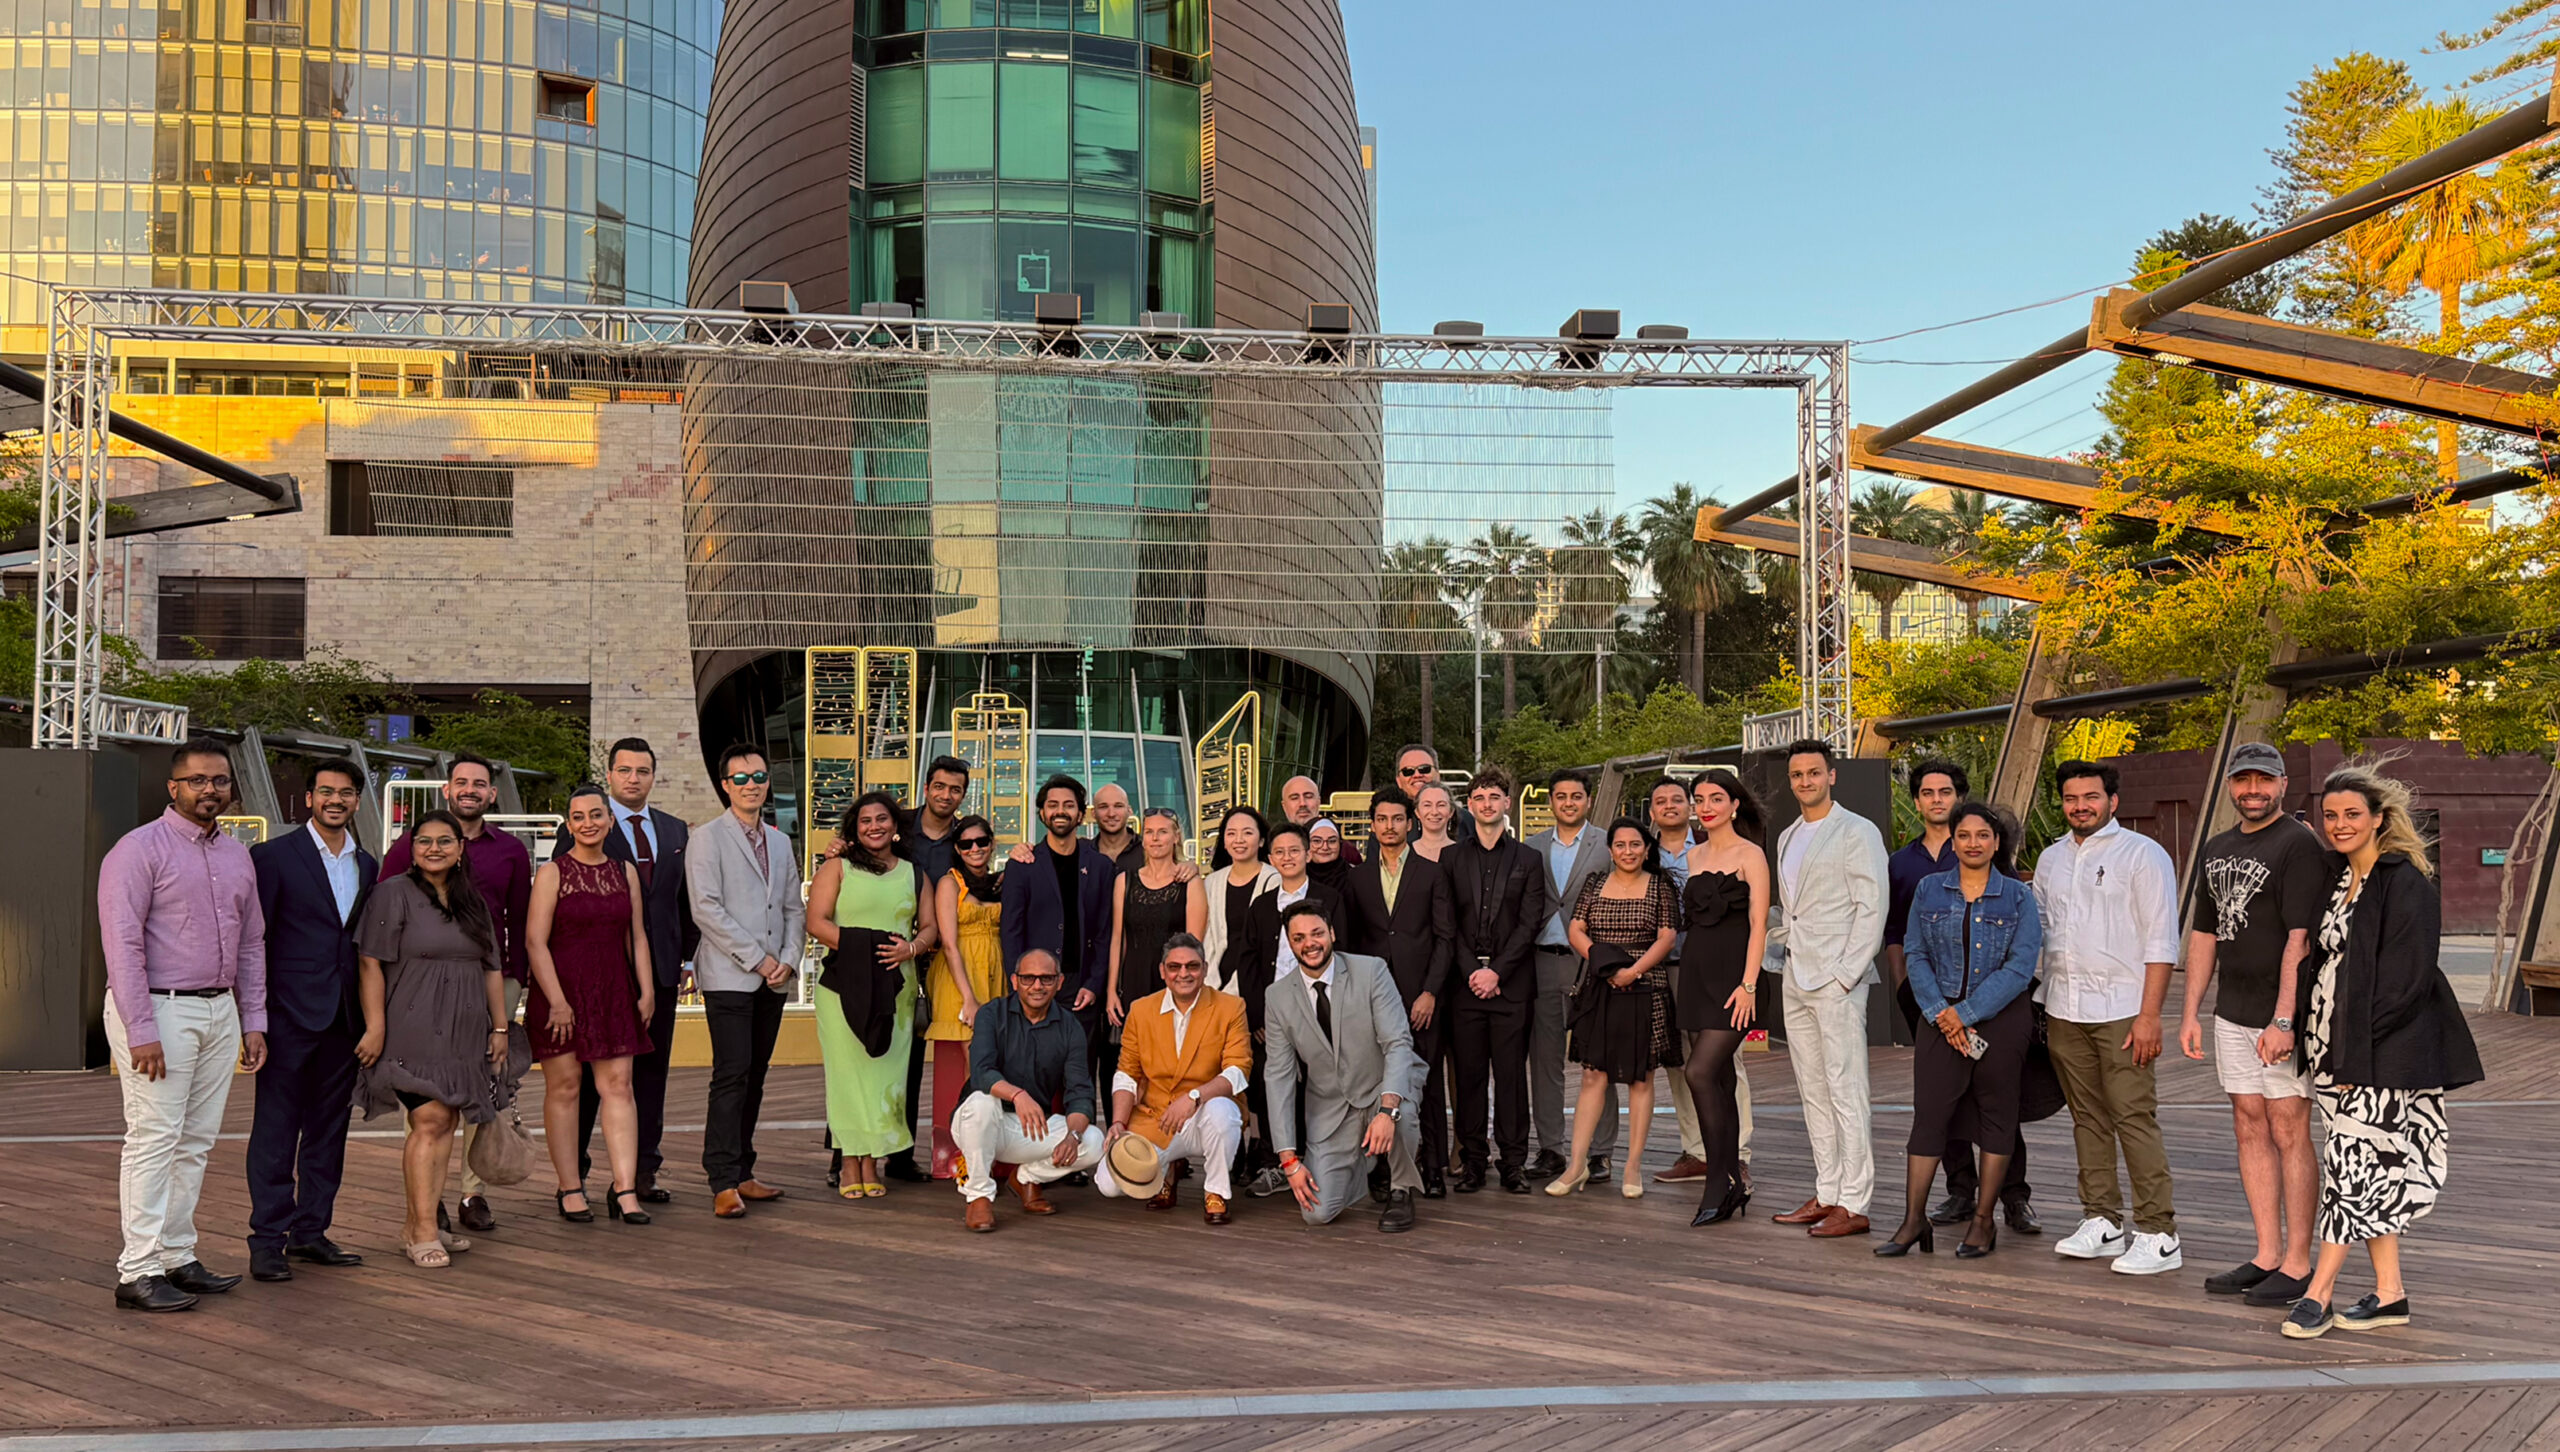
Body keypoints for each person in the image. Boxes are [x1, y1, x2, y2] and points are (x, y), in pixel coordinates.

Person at [2279, 764, 2484, 1340]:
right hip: (2328, 1053)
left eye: (2352, 815)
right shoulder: (2336, 880)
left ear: (2378, 819)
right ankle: (2390, 1294)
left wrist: (2354, 1059)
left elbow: (2406, 982)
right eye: (2331, 816)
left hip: (2377, 1060)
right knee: (2368, 1173)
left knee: (2347, 1172)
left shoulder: (2405, 882)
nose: (2340, 825)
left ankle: (2317, 1294)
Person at [100, 739, 270, 1312]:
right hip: (158, 1009)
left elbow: (251, 943)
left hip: (220, 1010)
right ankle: (138, 1269)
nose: (209, 790)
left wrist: (253, 1019)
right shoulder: (136, 850)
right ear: (174, 788)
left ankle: (177, 1254)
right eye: (197, 781)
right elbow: (122, 945)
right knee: (153, 1138)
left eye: (219, 780)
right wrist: (140, 1029)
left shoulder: (236, 855)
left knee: (195, 1142)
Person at [2182, 743, 2328, 1307]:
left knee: (2289, 1126)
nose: (2252, 789)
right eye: (2242, 780)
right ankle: (2267, 1254)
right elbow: (2203, 935)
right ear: (2230, 787)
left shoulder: (2298, 845)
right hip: (2230, 1011)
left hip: (2279, 1014)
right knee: (2248, 1123)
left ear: (2283, 784)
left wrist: (2285, 1018)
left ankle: (2297, 1262)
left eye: (2263, 780)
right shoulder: (2217, 848)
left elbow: (2300, 937)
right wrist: (2191, 1011)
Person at [354, 809, 526, 1269]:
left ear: (460, 847)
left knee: (447, 1122)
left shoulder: (472, 901)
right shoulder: (393, 894)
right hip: (411, 1025)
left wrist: (499, 1027)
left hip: (465, 1028)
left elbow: (492, 967)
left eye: (444, 841)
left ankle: (419, 1223)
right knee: (429, 1119)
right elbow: (370, 962)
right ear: (412, 849)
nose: (434, 849)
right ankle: (425, 1231)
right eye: (424, 841)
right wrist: (375, 1026)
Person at [2037, 759, 2184, 1276]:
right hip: (2063, 1007)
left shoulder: (2142, 855)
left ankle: (2159, 1232)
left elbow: (2162, 938)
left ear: (2112, 801)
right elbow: (2043, 932)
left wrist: (2150, 1015)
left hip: (2123, 1009)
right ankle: (2102, 1219)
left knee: (2132, 1118)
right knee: (2087, 1118)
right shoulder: (2051, 859)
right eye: (2072, 798)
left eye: (2091, 797)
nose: (2081, 806)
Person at [1877, 803, 2042, 1261]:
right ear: (1952, 842)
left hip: (2002, 1018)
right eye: (1964, 835)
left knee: (1996, 1116)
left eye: (1982, 835)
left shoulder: (2018, 897)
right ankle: (1914, 1220)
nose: (1973, 843)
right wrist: (1939, 1011)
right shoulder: (1930, 890)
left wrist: (1965, 1013)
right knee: (1930, 1116)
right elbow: (1915, 952)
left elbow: (2020, 966)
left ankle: (1984, 1221)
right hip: (1938, 1016)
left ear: (1996, 842)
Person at [379, 752, 531, 1236]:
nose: (470, 790)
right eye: (461, 782)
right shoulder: (412, 846)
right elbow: (384, 919)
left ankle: (472, 1192)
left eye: (479, 784)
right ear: (448, 789)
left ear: (491, 793)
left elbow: (520, 921)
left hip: (491, 982)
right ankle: (429, 1204)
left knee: (484, 1084)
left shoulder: (510, 851)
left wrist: (515, 983)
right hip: (422, 989)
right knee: (426, 1091)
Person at [243, 756, 374, 1284]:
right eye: (326, 792)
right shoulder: (272, 857)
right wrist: (255, 1014)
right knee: (276, 1131)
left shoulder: (370, 864)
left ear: (357, 801)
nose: (335, 801)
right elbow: (255, 940)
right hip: (287, 1016)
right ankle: (267, 1241)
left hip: (346, 1019)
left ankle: (311, 1233)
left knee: (328, 1132)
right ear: (309, 798)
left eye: (345, 793)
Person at [562, 739, 697, 1209]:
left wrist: (685, 960)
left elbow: (681, 903)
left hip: (658, 974)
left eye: (642, 770)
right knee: (590, 1080)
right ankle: (574, 1174)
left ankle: (641, 1173)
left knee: (651, 1077)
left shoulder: (675, 829)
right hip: (596, 976)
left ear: (653, 776)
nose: (633, 778)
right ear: (611, 774)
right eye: (624, 770)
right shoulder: (588, 823)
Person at [1769, 739, 1889, 1239]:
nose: (1804, 781)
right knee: (1813, 1089)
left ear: (1831, 776)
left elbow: (1873, 906)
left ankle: (1855, 1202)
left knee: (1846, 1089)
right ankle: (1828, 1190)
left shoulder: (1857, 831)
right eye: (1797, 774)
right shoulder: (1787, 835)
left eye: (1813, 773)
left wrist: (1846, 972)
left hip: (1838, 979)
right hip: (1795, 974)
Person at [525, 785, 656, 1227]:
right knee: (564, 1089)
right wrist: (558, 1001)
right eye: (578, 816)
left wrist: (646, 990)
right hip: (560, 993)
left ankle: (624, 1189)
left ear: (610, 820)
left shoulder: (626, 873)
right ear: (568, 823)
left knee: (619, 1087)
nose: (588, 823)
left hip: (614, 989)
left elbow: (637, 935)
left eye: (596, 814)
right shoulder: (551, 873)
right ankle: (570, 1186)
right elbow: (534, 942)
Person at [687, 744, 802, 1219]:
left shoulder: (779, 841)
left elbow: (794, 906)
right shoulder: (707, 838)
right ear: (725, 785)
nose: (751, 784)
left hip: (774, 979)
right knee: (731, 1075)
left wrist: (789, 961)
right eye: (741, 778)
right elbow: (706, 909)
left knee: (755, 1077)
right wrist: (758, 960)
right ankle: (721, 1178)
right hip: (731, 976)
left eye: (758, 776)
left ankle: (744, 1171)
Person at [808, 791, 937, 1198]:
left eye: (882, 819)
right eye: (865, 821)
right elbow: (816, 921)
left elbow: (930, 927)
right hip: (844, 985)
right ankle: (849, 1162)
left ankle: (873, 1160)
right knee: (847, 1076)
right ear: (854, 828)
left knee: (885, 1076)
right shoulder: (838, 868)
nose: (874, 826)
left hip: (897, 989)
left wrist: (910, 949)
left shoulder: (915, 874)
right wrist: (861, 950)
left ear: (896, 827)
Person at [1267, 906, 1425, 1232]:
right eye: (1299, 938)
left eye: (1317, 934)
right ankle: (1366, 1167)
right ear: (1289, 943)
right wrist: (1289, 1161)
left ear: (1332, 934)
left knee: (1403, 1115)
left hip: (1381, 1085)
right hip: (1330, 1105)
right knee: (1317, 1213)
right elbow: (1279, 1077)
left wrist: (1387, 1110)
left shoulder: (1371, 971)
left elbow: (1397, 1043)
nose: (1310, 944)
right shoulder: (1277, 997)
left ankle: (1400, 1188)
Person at [1546, 819, 1679, 1200]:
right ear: (1610, 849)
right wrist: (1603, 963)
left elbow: (1667, 936)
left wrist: (1633, 970)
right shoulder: (1593, 883)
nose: (1627, 851)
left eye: (1635, 844)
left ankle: (1632, 1166)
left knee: (1641, 1079)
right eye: (1619, 845)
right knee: (1593, 1077)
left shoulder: (1660, 886)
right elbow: (1575, 929)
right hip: (1600, 987)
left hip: (1646, 988)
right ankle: (1576, 1166)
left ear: (1646, 849)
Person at [1342, 786, 1457, 1198]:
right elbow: (1352, 942)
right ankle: (1381, 1170)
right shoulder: (1355, 878)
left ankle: (1434, 1167)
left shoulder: (1432, 872)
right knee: (1377, 1081)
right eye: (1382, 820)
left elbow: (1445, 938)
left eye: (1397, 819)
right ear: (1372, 826)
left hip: (1419, 996)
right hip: (1372, 998)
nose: (1389, 827)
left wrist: (1430, 992)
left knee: (1425, 1082)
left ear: (1410, 823)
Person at [1099, 934, 1252, 1224]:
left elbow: (1238, 1071)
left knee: (1224, 1113)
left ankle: (1216, 1191)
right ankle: (1167, 1171)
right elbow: (1126, 1073)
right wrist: (1118, 1122)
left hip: (1203, 1113)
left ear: (1205, 969)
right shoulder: (1141, 1009)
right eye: (1175, 967)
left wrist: (1194, 1098)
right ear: (1162, 971)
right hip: (1155, 1117)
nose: (1184, 974)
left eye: (1192, 966)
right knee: (1109, 1184)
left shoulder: (1231, 1007)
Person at [949, 949, 1105, 1231]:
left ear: (1059, 982)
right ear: (1014, 981)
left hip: (1027, 1128)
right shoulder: (991, 1014)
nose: (1037, 986)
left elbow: (1080, 1093)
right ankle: (979, 1196)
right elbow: (982, 1071)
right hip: (977, 1124)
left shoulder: (1070, 1027)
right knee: (983, 1102)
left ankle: (1025, 1178)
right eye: (1029, 978)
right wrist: (1018, 1095)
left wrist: (1073, 1135)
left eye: (1046, 979)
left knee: (1093, 1141)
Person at [1443, 768, 1542, 1195]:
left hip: (1511, 984)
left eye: (1494, 796)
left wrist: (1497, 971)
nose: (1486, 803)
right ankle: (1472, 1162)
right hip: (1465, 986)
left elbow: (1529, 922)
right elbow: (1447, 926)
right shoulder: (1450, 858)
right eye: (1479, 796)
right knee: (1468, 1079)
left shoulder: (1528, 859)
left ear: (1506, 802)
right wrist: (1473, 973)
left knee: (1511, 1079)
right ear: (1470, 804)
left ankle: (1513, 1162)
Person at [1679, 772, 1770, 1225]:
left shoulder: (1751, 854)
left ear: (1735, 805)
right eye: (1700, 799)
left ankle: (1720, 1182)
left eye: (1717, 798)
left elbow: (1759, 925)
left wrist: (1749, 984)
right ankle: (1733, 1181)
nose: (1707, 806)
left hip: (1736, 981)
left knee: (1699, 1071)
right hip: (1697, 976)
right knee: (1720, 1082)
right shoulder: (1692, 855)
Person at [1238, 821, 1344, 1194]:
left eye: (1294, 851)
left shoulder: (1329, 898)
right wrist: (1257, 1015)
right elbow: (1248, 962)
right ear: (1270, 859)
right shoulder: (1262, 905)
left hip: (1319, 1008)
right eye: (1279, 852)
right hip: (1274, 1013)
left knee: (1319, 1085)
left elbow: (1342, 952)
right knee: (1272, 1086)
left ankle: (1319, 1159)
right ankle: (1275, 1162)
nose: (1287, 857)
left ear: (1308, 854)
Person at [1646, 776, 1741, 1188]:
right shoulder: (1643, 854)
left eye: (1678, 799)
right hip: (1662, 966)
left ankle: (1738, 1153)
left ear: (1690, 807)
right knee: (1680, 1063)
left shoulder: (1713, 847)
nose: (1670, 806)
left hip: (1715, 968)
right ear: (1651, 811)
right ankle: (1697, 1151)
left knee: (1722, 1063)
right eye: (1660, 801)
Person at [1000, 776, 1120, 1082]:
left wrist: (1093, 985)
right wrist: (1017, 979)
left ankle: (1079, 1131)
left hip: (1081, 986)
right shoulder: (1022, 865)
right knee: (1031, 1075)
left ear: (1081, 814)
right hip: (1034, 984)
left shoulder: (1101, 866)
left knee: (1080, 1075)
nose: (1060, 811)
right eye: (1052, 805)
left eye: (1069, 805)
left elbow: (1106, 932)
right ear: (1041, 813)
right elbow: (1011, 929)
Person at [887, 755, 970, 1184]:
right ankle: (846, 1155)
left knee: (917, 1060)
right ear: (926, 788)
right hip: (888, 955)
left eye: (955, 789)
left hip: (938, 963)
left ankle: (901, 1157)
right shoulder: (896, 823)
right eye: (939, 786)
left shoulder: (966, 836)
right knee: (878, 1054)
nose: (946, 795)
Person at [1526, 767, 1610, 1181]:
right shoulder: (1532, 847)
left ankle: (1600, 1151)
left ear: (1587, 800)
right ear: (1551, 802)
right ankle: (1550, 1149)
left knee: (1598, 1058)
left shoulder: (1607, 845)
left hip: (1590, 962)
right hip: (1542, 961)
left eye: (1576, 796)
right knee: (1544, 1061)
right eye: (1560, 797)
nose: (1568, 803)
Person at [925, 815, 1007, 1179]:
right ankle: (968, 1157)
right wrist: (968, 998)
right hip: (961, 979)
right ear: (956, 849)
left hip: (996, 974)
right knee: (975, 1067)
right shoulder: (949, 883)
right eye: (966, 844)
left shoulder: (1000, 881)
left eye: (982, 842)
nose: (975, 849)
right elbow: (948, 943)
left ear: (992, 843)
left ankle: (990, 1151)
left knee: (994, 1064)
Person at [1199, 805, 1279, 998]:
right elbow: (1206, 937)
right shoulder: (1212, 882)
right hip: (1212, 986)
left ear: (1261, 841)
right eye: (1231, 833)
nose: (1239, 840)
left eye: (1248, 833)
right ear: (1224, 841)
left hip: (1255, 988)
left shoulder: (1275, 881)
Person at [1279, 774, 1361, 865]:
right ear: (1284, 806)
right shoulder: (1274, 848)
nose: (1302, 803)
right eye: (1294, 798)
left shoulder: (1346, 851)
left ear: (1319, 802)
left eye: (1308, 796)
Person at [1307, 818, 1356, 898]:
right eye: (1317, 841)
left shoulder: (1355, 877)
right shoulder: (1295, 876)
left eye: (1332, 841)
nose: (1325, 847)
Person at [1412, 782, 1459, 862]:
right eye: (1427, 805)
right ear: (1417, 812)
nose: (1434, 812)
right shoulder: (1404, 852)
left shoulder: (1464, 853)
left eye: (1441, 805)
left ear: (1451, 812)